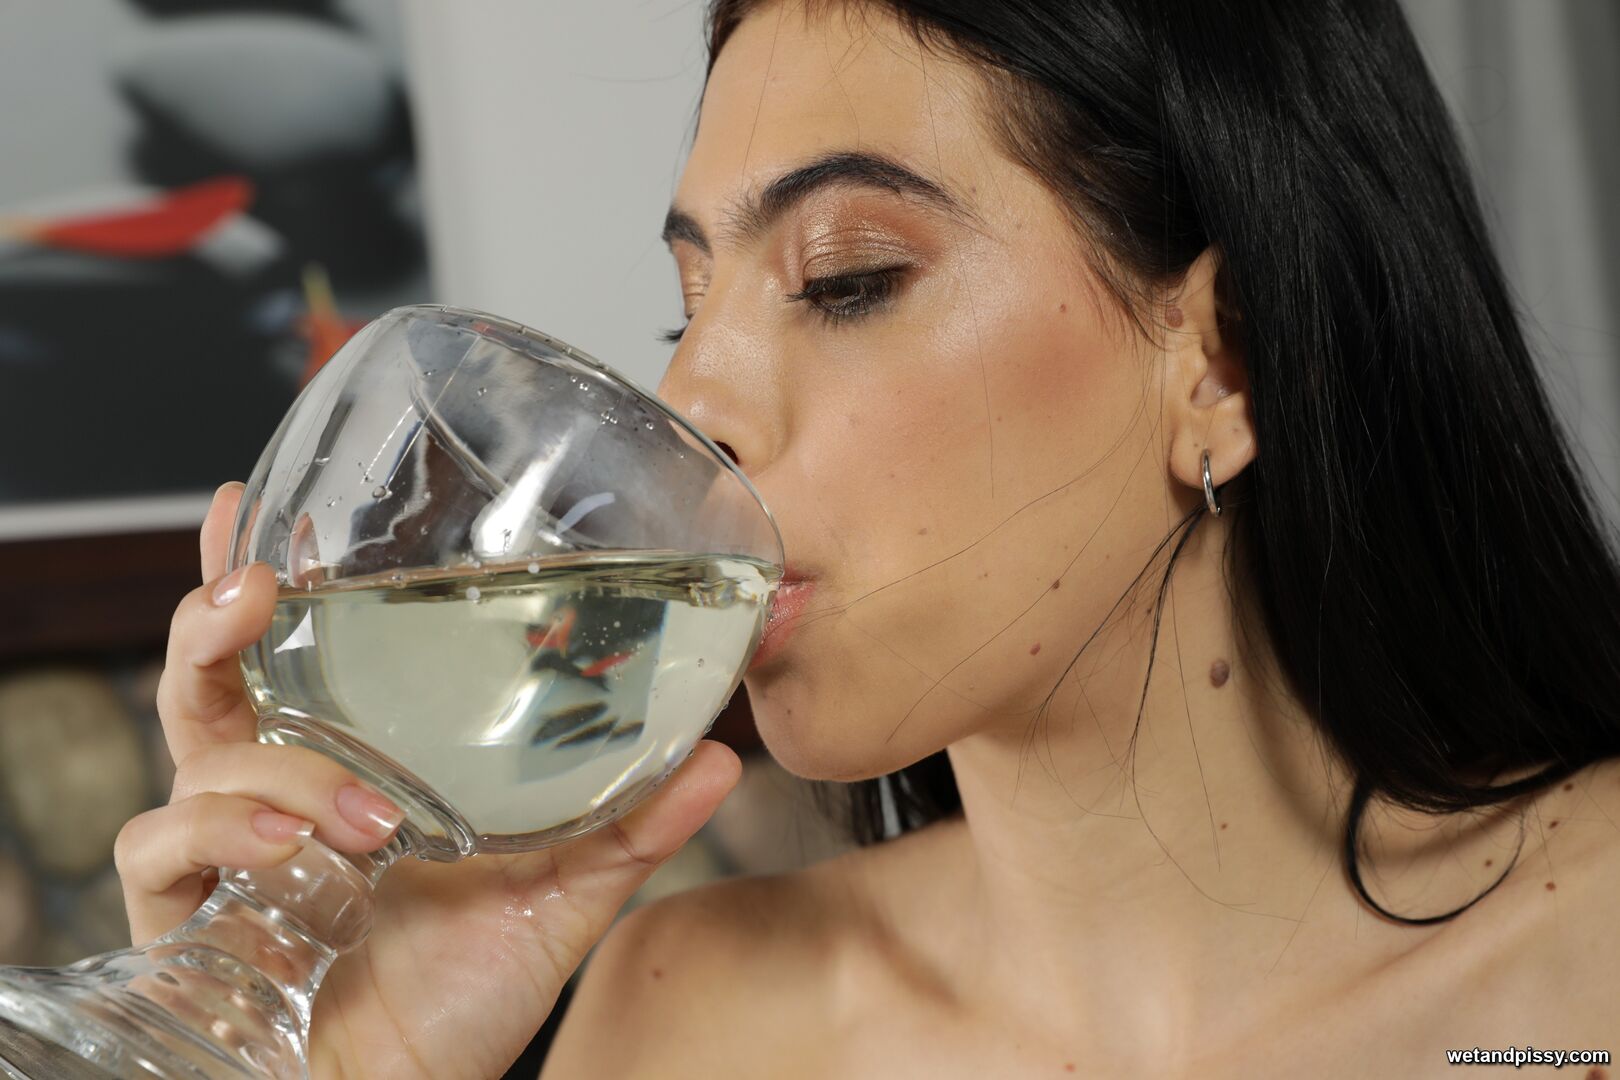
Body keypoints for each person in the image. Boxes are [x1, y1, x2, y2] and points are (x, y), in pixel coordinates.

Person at [119, 1, 1620, 1076]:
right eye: (687, 309)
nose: (688, 407)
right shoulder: (682, 1015)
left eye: (845, 279)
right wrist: (326, 1052)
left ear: (1222, 364)